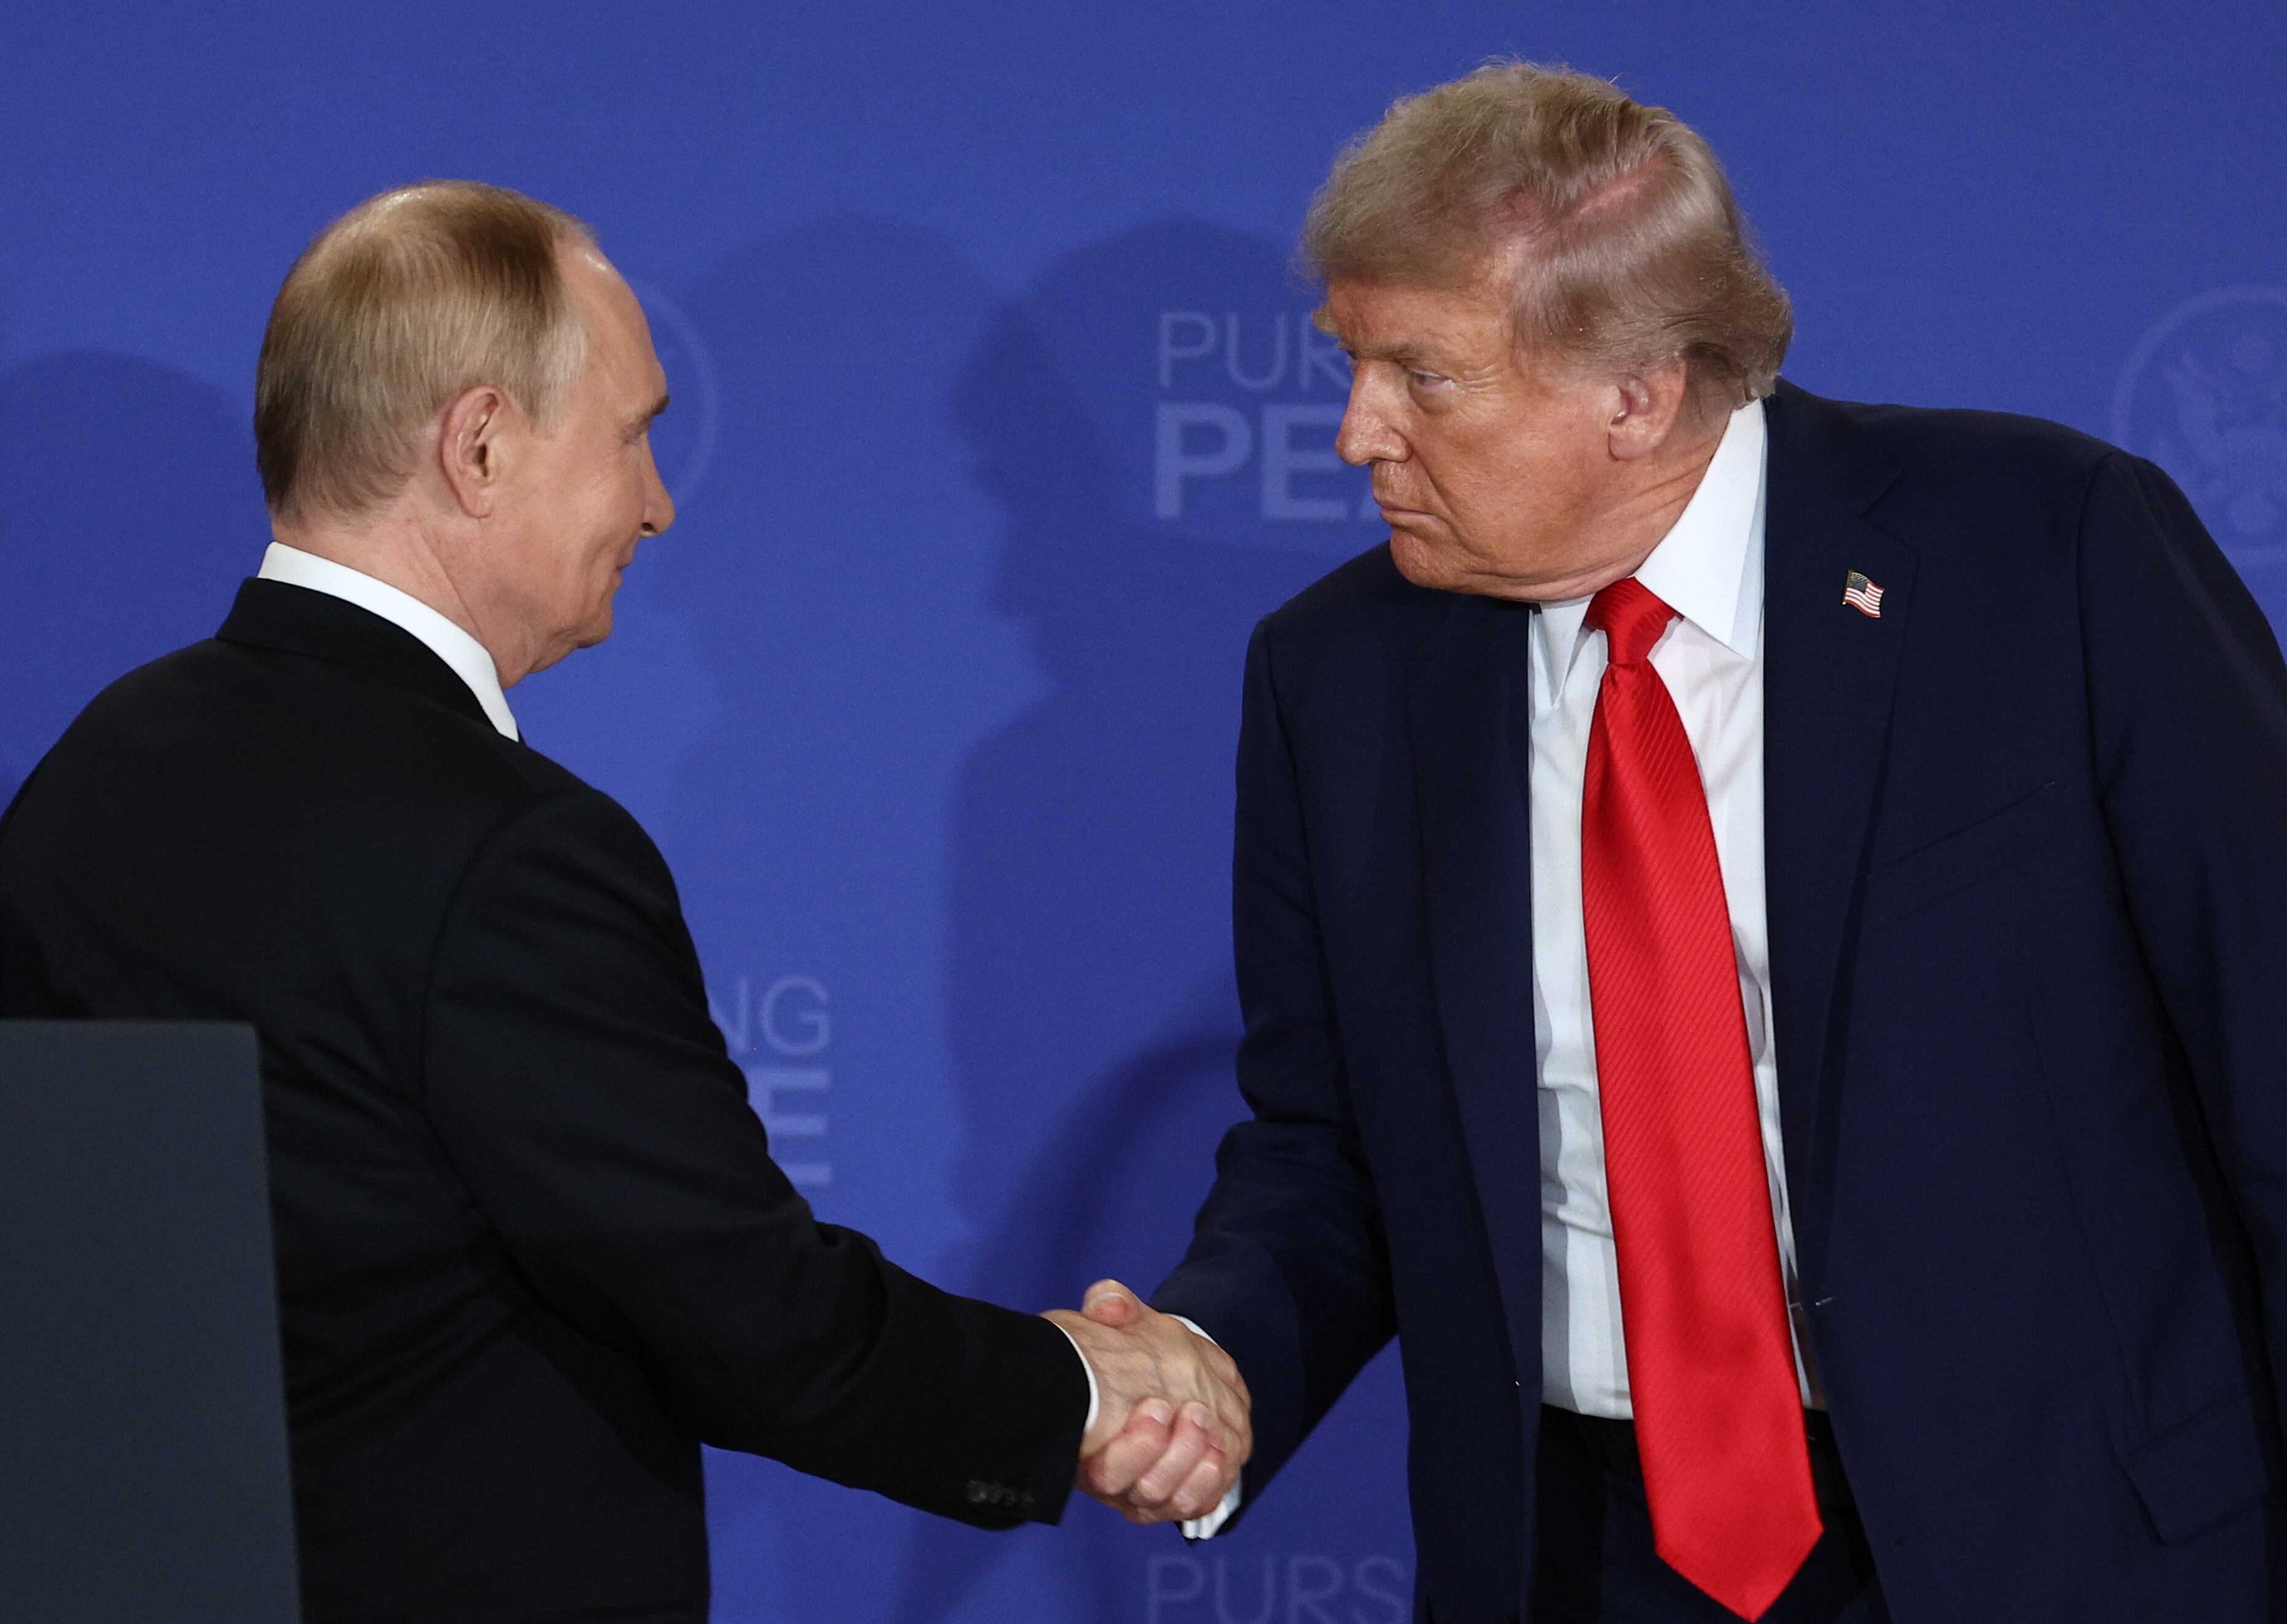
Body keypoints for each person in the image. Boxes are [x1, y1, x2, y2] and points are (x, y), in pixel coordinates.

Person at [1080, 60, 2287, 1623]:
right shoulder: (1339, 677)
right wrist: (1215, 1357)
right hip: (1582, 1557)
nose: (1353, 433)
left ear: (1635, 394)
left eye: (1419, 374)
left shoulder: (2044, 548)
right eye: (1351, 363)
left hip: (2063, 1535)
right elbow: (1331, 1149)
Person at [0, 181, 1245, 1623]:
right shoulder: (508, 848)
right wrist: (1083, 1387)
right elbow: (749, 1314)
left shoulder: (89, 775)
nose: (655, 503)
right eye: (632, 435)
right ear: (478, 446)